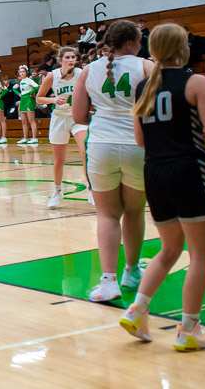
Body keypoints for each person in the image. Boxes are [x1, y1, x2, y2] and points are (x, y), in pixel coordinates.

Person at [119, 22, 205, 352]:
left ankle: (137, 309)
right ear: (183, 49)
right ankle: (189, 328)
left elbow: (141, 139)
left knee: (169, 249)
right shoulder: (196, 82)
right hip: (188, 170)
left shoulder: (143, 88)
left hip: (154, 172)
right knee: (200, 256)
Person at [72, 19, 153, 302]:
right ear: (131, 42)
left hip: (101, 145)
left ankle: (108, 280)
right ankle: (132, 271)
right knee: (134, 210)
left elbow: (79, 117)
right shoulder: (146, 66)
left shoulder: (87, 71)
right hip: (138, 144)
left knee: (107, 215)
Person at [36, 47, 88, 208]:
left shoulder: (81, 73)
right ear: (60, 60)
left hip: (77, 117)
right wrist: (53, 100)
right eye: (68, 57)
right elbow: (39, 98)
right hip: (59, 118)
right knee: (59, 160)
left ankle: (92, 189)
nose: (71, 59)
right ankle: (57, 191)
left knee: (86, 151)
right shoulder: (53, 75)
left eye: (74, 57)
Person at [16, 65, 39, 144]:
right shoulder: (20, 81)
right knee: (24, 121)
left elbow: (36, 87)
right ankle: (25, 138)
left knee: (31, 120)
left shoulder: (29, 80)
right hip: (23, 100)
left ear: (26, 72)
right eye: (20, 72)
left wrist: (31, 93)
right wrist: (19, 94)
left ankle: (34, 138)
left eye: (23, 71)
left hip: (29, 100)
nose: (22, 73)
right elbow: (13, 88)